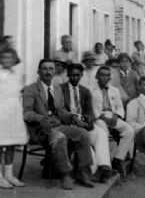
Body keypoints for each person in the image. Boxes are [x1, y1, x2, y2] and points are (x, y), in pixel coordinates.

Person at [23, 59, 93, 190]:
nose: (48, 72)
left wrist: (72, 117)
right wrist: (42, 118)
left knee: (83, 134)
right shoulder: (30, 89)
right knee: (59, 137)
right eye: (44, 69)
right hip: (40, 129)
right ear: (38, 72)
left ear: (55, 71)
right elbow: (26, 113)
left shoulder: (57, 88)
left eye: (51, 69)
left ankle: (83, 172)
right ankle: (65, 174)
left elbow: (60, 110)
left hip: (57, 125)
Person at [61, 64, 113, 183]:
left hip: (83, 123)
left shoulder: (85, 91)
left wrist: (88, 121)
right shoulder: (61, 89)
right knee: (84, 139)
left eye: (77, 75)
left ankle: (103, 166)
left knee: (101, 133)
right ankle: (89, 171)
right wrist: (74, 119)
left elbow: (90, 112)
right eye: (72, 75)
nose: (75, 78)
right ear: (68, 75)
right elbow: (60, 110)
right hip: (68, 123)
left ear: (81, 75)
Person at [91, 66, 134, 178]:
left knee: (129, 130)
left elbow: (119, 107)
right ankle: (105, 164)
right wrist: (104, 118)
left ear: (110, 77)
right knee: (103, 133)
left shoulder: (114, 90)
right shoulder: (91, 90)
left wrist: (115, 116)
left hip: (113, 116)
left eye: (107, 75)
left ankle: (118, 159)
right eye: (102, 75)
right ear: (97, 76)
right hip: (99, 117)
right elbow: (91, 109)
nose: (105, 77)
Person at [0, 47, 27, 189]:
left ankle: (9, 174)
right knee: (0, 144)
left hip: (13, 113)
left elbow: (19, 92)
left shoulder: (16, 74)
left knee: (11, 144)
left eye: (10, 58)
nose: (7, 61)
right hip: (1, 113)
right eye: (4, 58)